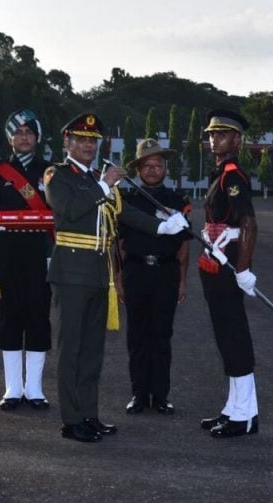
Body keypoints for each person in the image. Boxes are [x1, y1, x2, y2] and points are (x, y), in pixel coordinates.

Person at [44, 113, 189, 443]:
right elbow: (70, 208)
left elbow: (123, 213)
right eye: (81, 139)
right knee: (72, 349)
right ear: (67, 142)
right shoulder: (59, 175)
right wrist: (104, 184)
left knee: (93, 349)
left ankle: (88, 414)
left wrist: (162, 225)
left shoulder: (97, 178)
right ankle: (71, 419)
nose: (87, 145)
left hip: (98, 272)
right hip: (72, 271)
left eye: (92, 140)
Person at [0, 109, 53, 412]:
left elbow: (57, 215)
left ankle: (35, 389)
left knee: (38, 315)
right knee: (9, 316)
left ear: (37, 138)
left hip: (40, 253)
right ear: (10, 137)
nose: (24, 137)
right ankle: (12, 388)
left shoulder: (50, 172)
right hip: (6, 253)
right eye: (18, 133)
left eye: (29, 133)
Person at [117, 138, 192, 415]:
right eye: (146, 165)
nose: (152, 170)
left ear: (165, 169)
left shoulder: (177, 201)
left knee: (162, 335)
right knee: (137, 335)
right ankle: (138, 394)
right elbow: (117, 243)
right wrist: (118, 278)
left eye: (157, 164)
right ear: (137, 169)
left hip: (166, 272)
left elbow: (184, 243)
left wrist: (183, 279)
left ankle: (160, 395)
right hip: (135, 271)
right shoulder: (126, 201)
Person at [197, 110, 260, 438]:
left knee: (235, 336)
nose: (214, 139)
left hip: (228, 262)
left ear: (236, 140)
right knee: (225, 335)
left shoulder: (232, 175)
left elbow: (248, 222)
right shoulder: (219, 173)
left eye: (221, 135)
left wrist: (244, 268)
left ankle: (246, 414)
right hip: (216, 261)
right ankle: (234, 408)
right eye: (211, 134)